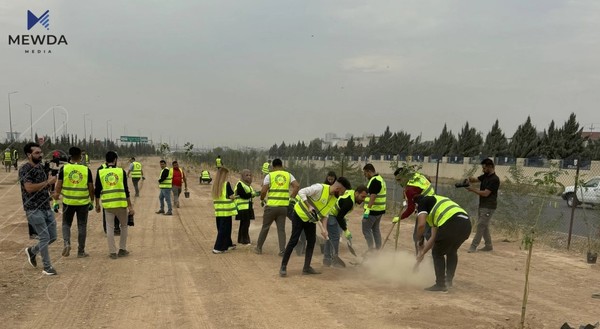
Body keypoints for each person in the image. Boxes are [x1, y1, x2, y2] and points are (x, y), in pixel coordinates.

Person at [279, 177, 352, 277]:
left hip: (312, 220)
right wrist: (308, 205)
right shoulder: (319, 188)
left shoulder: (334, 198)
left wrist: (324, 229)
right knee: (294, 240)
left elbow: (325, 214)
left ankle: (306, 267)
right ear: (337, 189)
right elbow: (301, 192)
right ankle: (283, 266)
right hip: (299, 215)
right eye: (341, 193)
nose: (341, 195)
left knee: (311, 241)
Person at [414, 194, 472, 292]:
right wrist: (422, 253)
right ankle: (448, 281)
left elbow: (421, 226)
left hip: (452, 222)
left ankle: (441, 284)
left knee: (437, 253)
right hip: (466, 224)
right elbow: (433, 238)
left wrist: (419, 239)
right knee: (452, 250)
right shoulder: (438, 202)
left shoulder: (422, 202)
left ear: (416, 205)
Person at [21, 142, 59, 275]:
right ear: (29, 155)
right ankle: (47, 267)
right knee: (44, 237)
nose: (40, 155)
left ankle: (32, 251)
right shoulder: (25, 169)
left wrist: (52, 192)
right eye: (37, 153)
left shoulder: (42, 168)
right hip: (33, 208)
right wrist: (47, 183)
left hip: (46, 207)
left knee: (53, 237)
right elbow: (29, 188)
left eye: (40, 152)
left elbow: (46, 186)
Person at [53, 147, 94, 258]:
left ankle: (66, 243)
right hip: (83, 203)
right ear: (80, 156)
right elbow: (91, 187)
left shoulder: (64, 169)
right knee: (82, 226)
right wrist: (92, 201)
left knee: (66, 224)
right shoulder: (86, 170)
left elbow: (58, 186)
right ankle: (81, 251)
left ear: (69, 156)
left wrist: (55, 201)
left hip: (68, 202)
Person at [94, 151, 135, 259]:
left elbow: (97, 190)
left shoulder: (101, 172)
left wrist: (97, 204)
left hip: (108, 205)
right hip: (121, 204)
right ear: (115, 160)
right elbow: (126, 190)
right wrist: (130, 206)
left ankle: (112, 252)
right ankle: (122, 249)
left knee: (110, 228)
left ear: (106, 160)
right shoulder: (121, 171)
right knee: (124, 226)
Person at [255, 158, 300, 256]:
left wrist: (262, 199)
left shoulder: (269, 176)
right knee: (281, 229)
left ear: (273, 166)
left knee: (265, 227)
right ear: (282, 165)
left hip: (271, 206)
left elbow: (263, 191)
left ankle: (258, 248)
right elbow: (297, 186)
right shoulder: (288, 175)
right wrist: (291, 198)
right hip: (283, 207)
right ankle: (282, 250)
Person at [392, 167, 436, 254]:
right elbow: (422, 188)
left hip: (426, 210)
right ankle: (424, 253)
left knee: (421, 235)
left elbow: (410, 209)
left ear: (404, 177)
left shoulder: (410, 189)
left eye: (399, 180)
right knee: (425, 235)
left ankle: (426, 256)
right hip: (434, 206)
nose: (399, 183)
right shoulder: (418, 176)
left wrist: (399, 217)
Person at [323, 185, 368, 267]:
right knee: (335, 237)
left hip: (334, 213)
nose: (363, 199)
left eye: (365, 197)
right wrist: (346, 230)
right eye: (362, 197)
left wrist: (344, 223)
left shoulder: (351, 193)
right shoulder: (349, 202)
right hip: (331, 213)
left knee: (331, 236)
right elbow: (339, 217)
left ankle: (327, 259)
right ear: (357, 193)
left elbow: (341, 214)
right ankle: (334, 260)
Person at [296, 171, 337, 256]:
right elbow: (303, 194)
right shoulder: (322, 187)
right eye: (329, 179)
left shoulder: (335, 193)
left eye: (332, 179)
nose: (330, 181)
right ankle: (302, 245)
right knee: (303, 231)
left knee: (320, 231)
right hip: (303, 208)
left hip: (319, 214)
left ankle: (321, 246)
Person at [465, 158, 500, 253]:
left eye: (484, 168)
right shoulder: (486, 176)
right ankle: (488, 246)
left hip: (489, 206)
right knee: (484, 226)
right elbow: (475, 180)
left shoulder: (494, 179)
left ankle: (473, 246)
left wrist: (472, 189)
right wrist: (469, 180)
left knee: (480, 225)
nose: (483, 170)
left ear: (490, 167)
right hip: (483, 205)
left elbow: (485, 193)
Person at [212, 167, 237, 254]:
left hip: (219, 211)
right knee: (224, 230)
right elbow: (231, 196)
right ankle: (218, 247)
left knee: (223, 228)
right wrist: (235, 197)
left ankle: (228, 244)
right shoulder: (226, 184)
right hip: (226, 211)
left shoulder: (215, 185)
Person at [362, 163, 387, 250]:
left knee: (366, 229)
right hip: (379, 211)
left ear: (369, 171)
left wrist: (367, 211)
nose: (365, 175)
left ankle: (371, 250)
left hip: (373, 211)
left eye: (365, 173)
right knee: (375, 229)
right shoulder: (380, 179)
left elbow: (373, 197)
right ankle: (378, 250)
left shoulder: (375, 181)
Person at [235, 169, 259, 245]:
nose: (249, 177)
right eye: (246, 175)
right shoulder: (240, 184)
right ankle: (245, 240)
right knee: (245, 224)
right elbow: (243, 195)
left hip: (247, 207)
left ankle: (241, 239)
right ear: (242, 176)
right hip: (242, 208)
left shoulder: (248, 185)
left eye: (250, 175)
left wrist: (256, 193)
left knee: (244, 224)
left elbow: (250, 194)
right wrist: (252, 194)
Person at [99, 161, 121, 235]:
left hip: (106, 196)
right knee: (117, 213)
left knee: (107, 214)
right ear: (115, 160)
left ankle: (108, 230)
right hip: (116, 195)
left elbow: (98, 184)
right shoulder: (118, 170)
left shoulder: (100, 169)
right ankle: (116, 229)